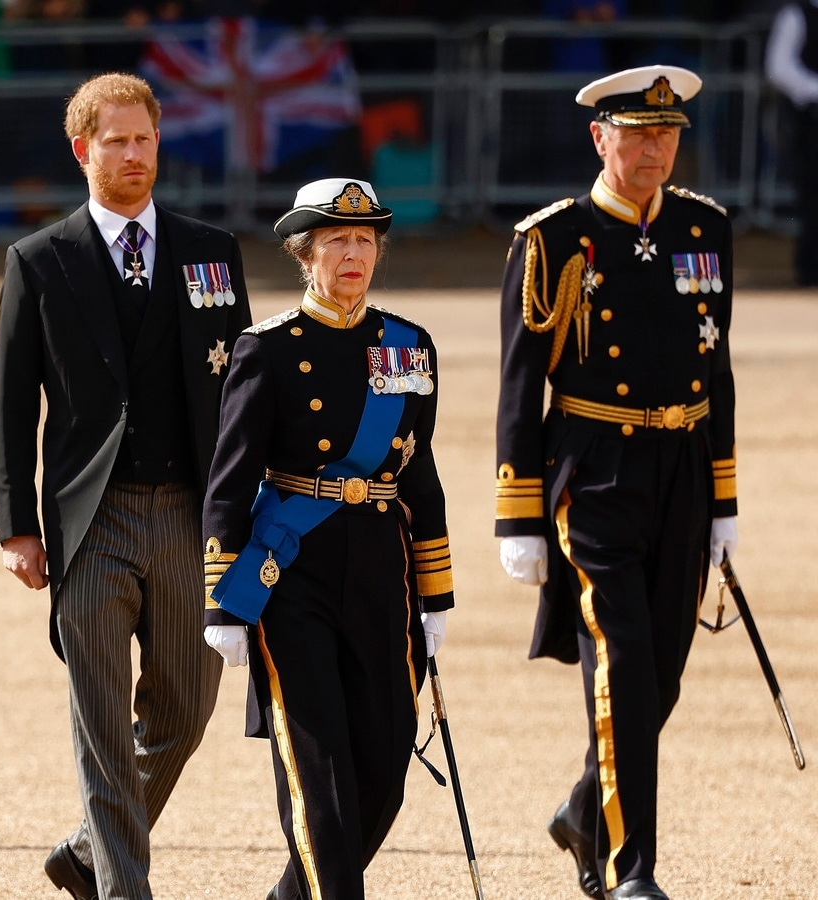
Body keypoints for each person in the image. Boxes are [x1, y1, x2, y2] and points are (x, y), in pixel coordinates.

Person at [0, 73, 251, 900]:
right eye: (116, 141)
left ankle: (84, 852)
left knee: (183, 715)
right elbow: (12, 400)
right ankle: (121, 890)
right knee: (102, 729)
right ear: (83, 150)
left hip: (189, 515)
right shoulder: (38, 261)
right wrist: (14, 524)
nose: (134, 155)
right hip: (88, 521)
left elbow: (244, 394)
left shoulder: (213, 251)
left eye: (144, 139)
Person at [495, 65, 737, 900]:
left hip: (684, 470)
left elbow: (720, 372)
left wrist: (726, 499)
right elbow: (522, 384)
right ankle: (636, 871)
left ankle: (583, 810)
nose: (655, 149)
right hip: (593, 471)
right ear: (600, 138)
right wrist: (517, 514)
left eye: (668, 134)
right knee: (625, 663)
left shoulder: (706, 229)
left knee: (661, 672)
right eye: (637, 134)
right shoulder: (554, 239)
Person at [202, 178, 453, 900]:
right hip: (293, 573)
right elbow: (230, 477)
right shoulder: (269, 348)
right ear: (304, 255)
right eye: (337, 242)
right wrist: (224, 598)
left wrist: (435, 592)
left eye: (365, 241)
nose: (353, 255)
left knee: (382, 772)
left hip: (382, 570)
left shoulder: (408, 345)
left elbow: (420, 474)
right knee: (319, 777)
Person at [767, 0, 818, 286]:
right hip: (811, 121)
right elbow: (778, 67)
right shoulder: (797, 14)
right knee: (813, 197)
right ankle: (811, 272)